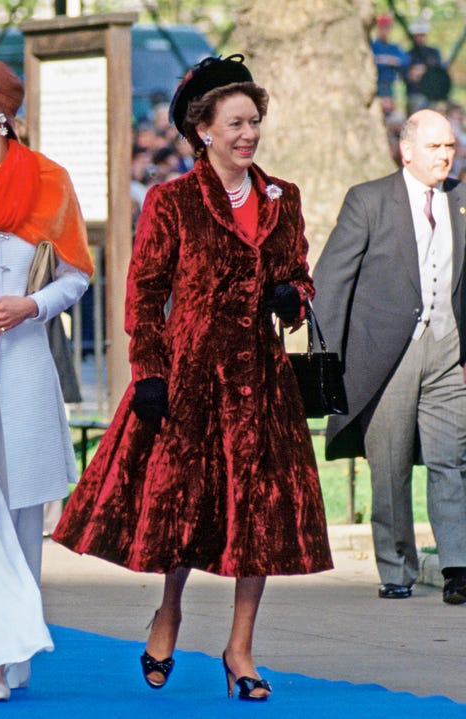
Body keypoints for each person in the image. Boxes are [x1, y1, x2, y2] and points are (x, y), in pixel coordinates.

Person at [53, 54, 332, 701]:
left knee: (258, 514)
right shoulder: (171, 199)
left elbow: (298, 270)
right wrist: (150, 371)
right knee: (186, 508)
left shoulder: (279, 196)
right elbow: (144, 293)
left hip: (259, 380)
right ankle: (170, 611)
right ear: (203, 128)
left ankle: (241, 648)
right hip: (189, 377)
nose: (248, 134)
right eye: (236, 122)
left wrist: (292, 293)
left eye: (254, 122)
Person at [313, 108, 466, 604]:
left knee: (452, 461)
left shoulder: (462, 198)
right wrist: (326, 360)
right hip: (386, 354)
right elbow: (333, 280)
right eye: (435, 147)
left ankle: (457, 569)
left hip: (448, 350)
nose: (445, 155)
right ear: (407, 151)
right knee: (391, 465)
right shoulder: (369, 200)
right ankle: (396, 568)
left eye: (450, 146)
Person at [0, 58, 93, 700]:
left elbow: (76, 275)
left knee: (20, 505)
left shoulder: (48, 179)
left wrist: (31, 306)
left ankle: (8, 653)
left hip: (20, 352)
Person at [405, 19, 447, 114]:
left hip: (433, 95)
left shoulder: (434, 53)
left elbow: (439, 74)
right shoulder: (409, 54)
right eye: (417, 35)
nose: (420, 37)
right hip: (416, 95)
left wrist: (424, 71)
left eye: (422, 34)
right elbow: (409, 76)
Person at [370, 13, 409, 100]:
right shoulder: (372, 46)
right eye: (382, 27)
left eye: (387, 27)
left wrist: (392, 60)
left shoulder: (393, 47)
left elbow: (405, 60)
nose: (384, 30)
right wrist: (384, 60)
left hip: (390, 84)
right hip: (374, 83)